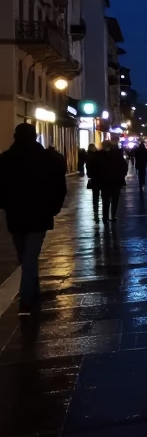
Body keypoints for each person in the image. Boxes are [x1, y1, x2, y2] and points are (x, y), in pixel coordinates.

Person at [0, 123, 68, 314]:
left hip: (16, 216)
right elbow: (59, 186)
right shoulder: (48, 159)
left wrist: (6, 205)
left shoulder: (5, 159)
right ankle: (29, 296)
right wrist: (53, 208)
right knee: (29, 257)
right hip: (39, 215)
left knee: (25, 257)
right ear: (35, 136)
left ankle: (28, 296)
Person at [98, 140, 128, 222]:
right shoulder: (117, 154)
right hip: (115, 181)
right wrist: (122, 175)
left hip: (104, 181)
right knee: (114, 199)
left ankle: (105, 217)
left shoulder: (99, 155)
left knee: (105, 200)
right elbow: (124, 166)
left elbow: (95, 167)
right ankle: (113, 215)